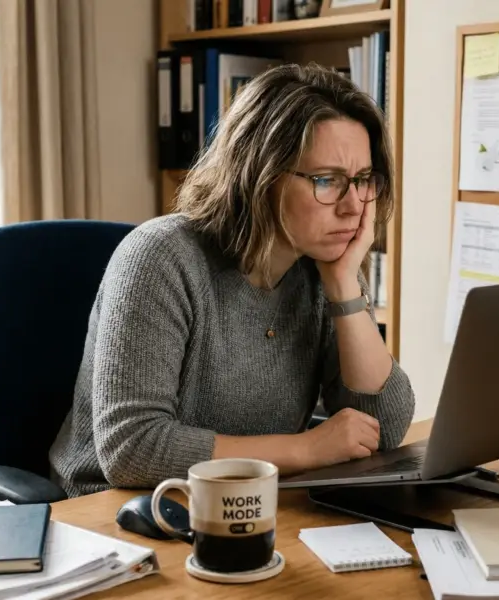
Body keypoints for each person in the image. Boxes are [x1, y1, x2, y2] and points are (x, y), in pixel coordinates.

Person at [48, 63, 415, 497]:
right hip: (118, 515)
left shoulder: (318, 267)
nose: (354, 206)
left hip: (246, 501)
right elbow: (132, 450)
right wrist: (307, 449)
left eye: (362, 180)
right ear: (260, 175)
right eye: (327, 180)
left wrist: (344, 289)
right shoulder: (161, 258)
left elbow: (384, 430)